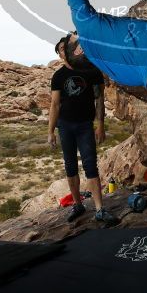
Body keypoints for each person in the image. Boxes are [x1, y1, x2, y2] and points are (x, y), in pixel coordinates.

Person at [47, 38, 116, 224]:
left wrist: (100, 125)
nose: (63, 52)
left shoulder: (91, 71)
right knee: (70, 166)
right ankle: (78, 205)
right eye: (59, 50)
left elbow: (99, 99)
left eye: (64, 48)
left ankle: (100, 209)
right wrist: (50, 131)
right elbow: (54, 104)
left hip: (85, 125)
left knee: (90, 165)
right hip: (65, 125)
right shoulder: (59, 76)